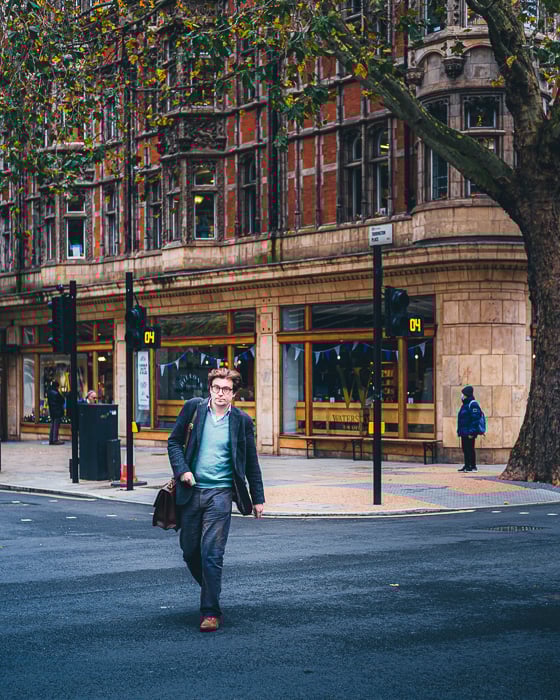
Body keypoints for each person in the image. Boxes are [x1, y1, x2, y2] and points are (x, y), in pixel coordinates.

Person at [167, 367, 265, 633]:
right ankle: (212, 588)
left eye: (227, 389)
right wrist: (183, 470)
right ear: (210, 388)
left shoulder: (242, 421)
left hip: (221, 494)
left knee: (212, 553)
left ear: (234, 393)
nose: (221, 393)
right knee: (190, 551)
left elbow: (251, 462)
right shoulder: (194, 409)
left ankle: (210, 611)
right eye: (217, 388)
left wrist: (258, 498)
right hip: (192, 491)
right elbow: (174, 442)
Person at [457, 385, 482, 472]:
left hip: (469, 431)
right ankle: (467, 465)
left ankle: (473, 466)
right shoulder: (465, 404)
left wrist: (472, 432)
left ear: (466, 394)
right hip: (464, 431)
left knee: (470, 448)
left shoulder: (473, 404)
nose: (462, 396)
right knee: (465, 448)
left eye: (463, 394)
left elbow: (475, 419)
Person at [47, 380, 65, 445]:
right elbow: (62, 400)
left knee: (52, 425)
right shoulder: (56, 393)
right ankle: (55, 439)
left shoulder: (49, 392)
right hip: (57, 411)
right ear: (57, 386)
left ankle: (51, 439)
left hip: (52, 411)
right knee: (56, 426)